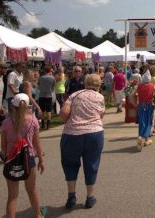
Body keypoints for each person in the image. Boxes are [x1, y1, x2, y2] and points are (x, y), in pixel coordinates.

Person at [60, 74, 105, 210]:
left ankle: (71, 196)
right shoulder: (100, 97)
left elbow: (64, 112)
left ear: (85, 83)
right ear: (98, 85)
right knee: (91, 163)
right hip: (94, 133)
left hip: (72, 134)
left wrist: (68, 121)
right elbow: (101, 114)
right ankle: (90, 197)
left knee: (70, 164)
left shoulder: (74, 95)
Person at [1, 93, 45, 218]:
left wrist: (6, 156)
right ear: (28, 106)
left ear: (12, 106)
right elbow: (37, 143)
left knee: (13, 196)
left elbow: (3, 146)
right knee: (32, 190)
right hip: (28, 158)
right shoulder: (33, 121)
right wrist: (41, 160)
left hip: (11, 159)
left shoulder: (6, 123)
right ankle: (38, 215)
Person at [134, 71, 155, 151]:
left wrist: (135, 104)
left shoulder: (139, 86)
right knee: (149, 121)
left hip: (141, 105)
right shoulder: (152, 85)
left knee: (142, 121)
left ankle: (141, 137)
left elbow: (131, 94)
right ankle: (146, 139)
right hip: (149, 105)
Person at [37, 65, 56, 130]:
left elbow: (38, 86)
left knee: (42, 111)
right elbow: (53, 87)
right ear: (50, 70)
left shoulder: (41, 78)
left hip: (41, 95)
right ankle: (48, 125)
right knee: (49, 111)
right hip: (49, 95)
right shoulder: (52, 78)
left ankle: (42, 125)